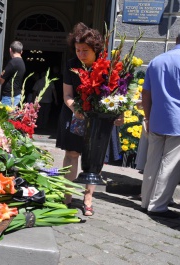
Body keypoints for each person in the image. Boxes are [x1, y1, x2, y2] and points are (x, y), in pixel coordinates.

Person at [56, 22, 123, 216]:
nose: (80, 54)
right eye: (77, 50)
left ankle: (88, 199)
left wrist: (120, 114)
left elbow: (116, 95)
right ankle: (67, 197)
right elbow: (67, 95)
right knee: (72, 154)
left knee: (94, 159)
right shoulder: (71, 65)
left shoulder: (107, 66)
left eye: (85, 50)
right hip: (76, 114)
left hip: (99, 117)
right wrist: (75, 108)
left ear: (96, 49)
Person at [140, 34, 180, 219]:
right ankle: (158, 206)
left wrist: (147, 118)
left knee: (152, 161)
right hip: (177, 121)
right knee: (170, 164)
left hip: (156, 118)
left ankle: (145, 201)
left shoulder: (157, 60)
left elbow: (145, 94)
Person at [0, 41, 26, 107]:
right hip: (17, 95)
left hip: (9, 97)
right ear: (21, 51)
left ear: (10, 50)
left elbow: (2, 81)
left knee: (5, 116)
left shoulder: (12, 63)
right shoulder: (22, 63)